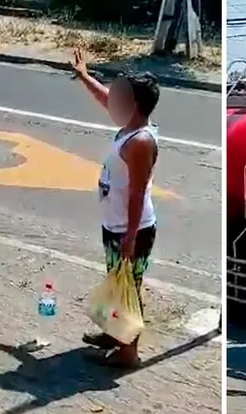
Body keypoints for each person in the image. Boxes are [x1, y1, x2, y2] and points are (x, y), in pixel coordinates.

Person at [71, 49, 161, 368]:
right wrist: (83, 75)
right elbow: (105, 97)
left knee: (129, 289)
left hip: (130, 229)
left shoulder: (140, 142)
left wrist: (130, 237)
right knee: (116, 282)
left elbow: (137, 194)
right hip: (116, 225)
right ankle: (114, 334)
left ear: (134, 105)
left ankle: (128, 353)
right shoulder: (130, 128)